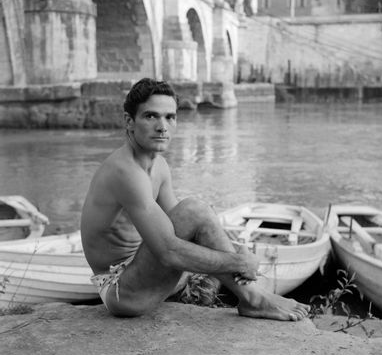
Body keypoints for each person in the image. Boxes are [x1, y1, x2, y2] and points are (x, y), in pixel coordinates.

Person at [81, 78, 310, 321]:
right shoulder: (124, 172)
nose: (162, 126)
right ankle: (254, 299)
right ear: (129, 121)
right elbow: (169, 251)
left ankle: (251, 295)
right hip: (122, 291)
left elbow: (185, 227)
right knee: (195, 210)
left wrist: (234, 254)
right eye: (151, 116)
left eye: (170, 117)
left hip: (145, 277)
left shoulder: (158, 165)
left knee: (199, 212)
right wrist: (239, 262)